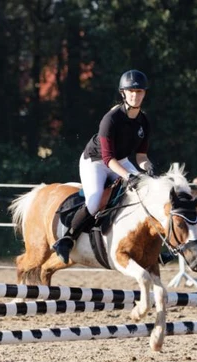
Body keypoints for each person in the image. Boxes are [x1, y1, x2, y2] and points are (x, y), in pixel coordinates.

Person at [53, 69, 155, 263]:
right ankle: (67, 239)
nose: (135, 95)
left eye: (139, 91)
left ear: (144, 94)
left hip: (121, 160)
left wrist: (148, 168)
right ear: (123, 93)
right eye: (131, 91)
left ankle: (152, 246)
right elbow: (108, 159)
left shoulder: (144, 121)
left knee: (146, 191)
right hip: (96, 161)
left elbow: (141, 156)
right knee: (94, 202)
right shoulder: (111, 119)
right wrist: (128, 176)